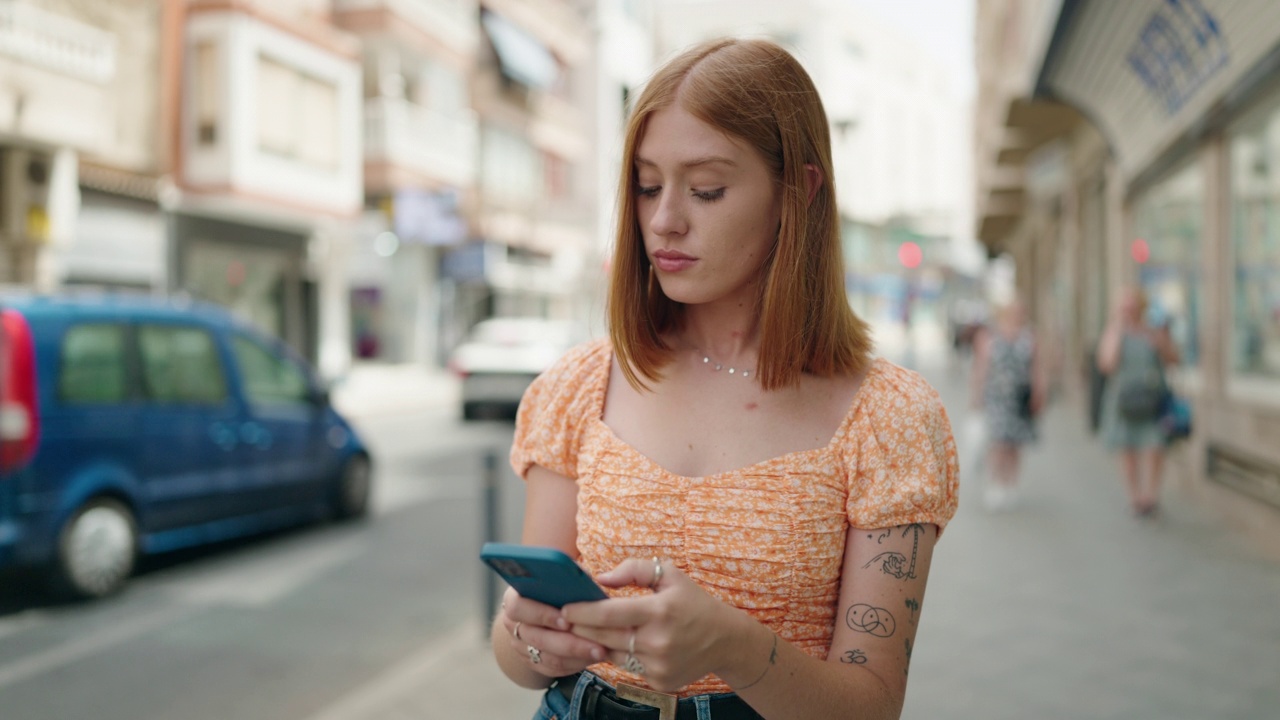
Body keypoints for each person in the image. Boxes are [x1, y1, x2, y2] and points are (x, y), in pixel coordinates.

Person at [490, 38, 959, 720]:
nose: (663, 219)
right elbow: (515, 654)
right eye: (648, 185)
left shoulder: (888, 419)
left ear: (797, 192)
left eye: (706, 189)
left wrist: (730, 645)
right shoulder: (579, 388)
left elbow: (872, 705)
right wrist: (530, 640)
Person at [1096, 287, 1180, 517]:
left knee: (1155, 447)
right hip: (1124, 401)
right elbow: (1107, 365)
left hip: (1152, 399)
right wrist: (1118, 331)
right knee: (1128, 451)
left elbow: (1174, 360)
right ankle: (1135, 498)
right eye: (1125, 308)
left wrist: (1160, 342)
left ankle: (1150, 497)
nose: (1129, 312)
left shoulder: (1153, 331)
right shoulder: (1114, 332)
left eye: (1132, 308)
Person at [968, 299, 1045, 510]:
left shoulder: (1030, 336)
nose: (1017, 314)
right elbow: (981, 367)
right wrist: (976, 396)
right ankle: (995, 483)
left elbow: (1036, 367)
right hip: (996, 397)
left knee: (1014, 444)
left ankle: (1011, 482)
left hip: (1020, 397)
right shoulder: (988, 336)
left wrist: (1039, 391)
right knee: (998, 443)